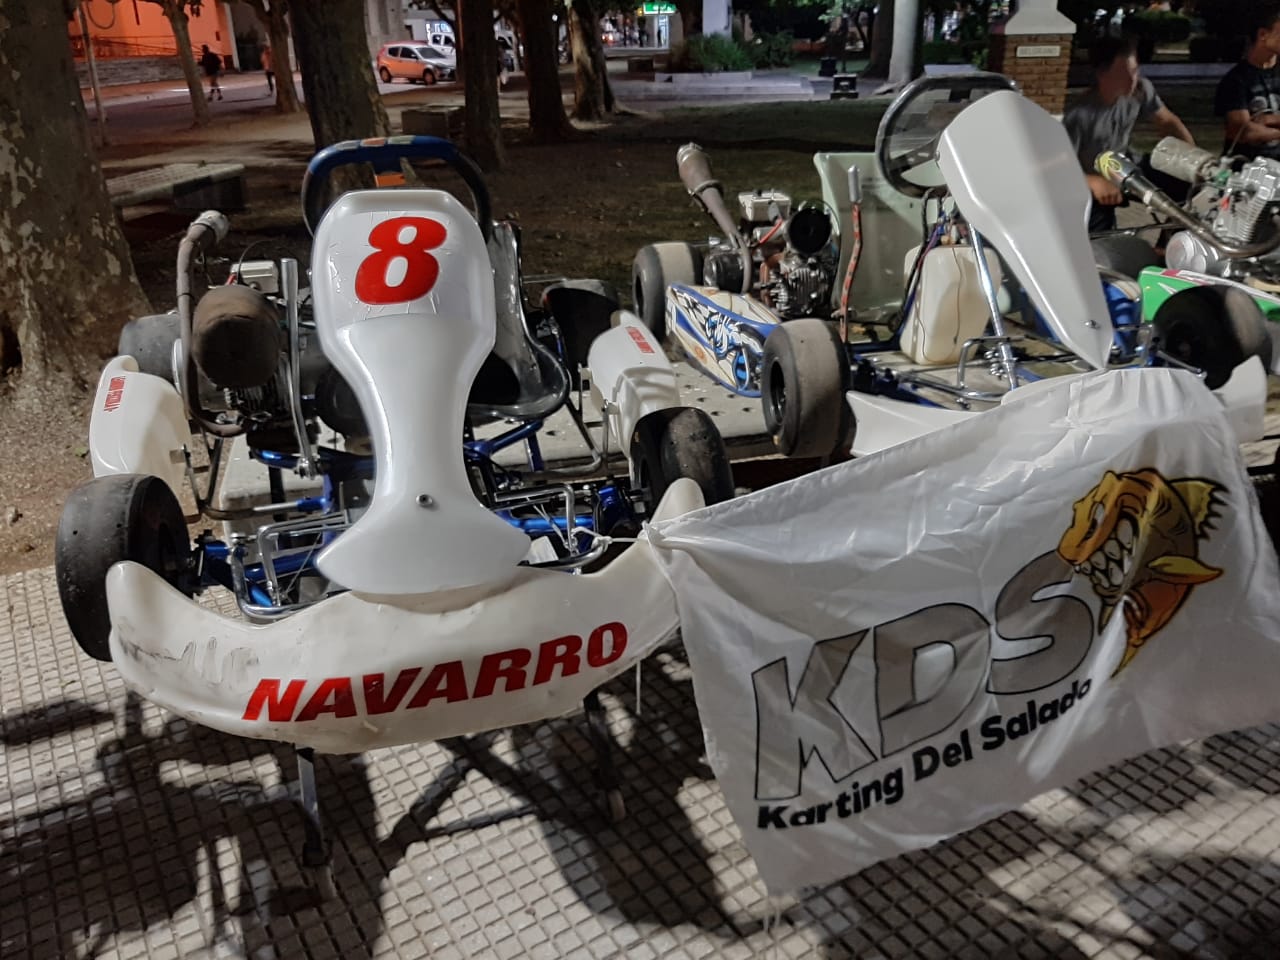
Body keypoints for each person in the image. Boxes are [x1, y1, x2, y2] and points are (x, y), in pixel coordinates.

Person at [1062, 35, 1195, 233]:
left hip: (1126, 166)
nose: (1133, 79)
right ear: (1102, 74)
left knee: (1188, 184)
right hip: (1093, 179)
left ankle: (1167, 243)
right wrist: (1094, 182)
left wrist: (1191, 157)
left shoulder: (1140, 90)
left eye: (1135, 70)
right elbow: (1059, 169)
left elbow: (1167, 121)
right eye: (1124, 73)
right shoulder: (1079, 115)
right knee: (1099, 236)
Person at [1213, 2, 1280, 161]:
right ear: (1263, 34)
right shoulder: (1236, 80)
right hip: (1247, 167)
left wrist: (1267, 120)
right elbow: (1243, 132)